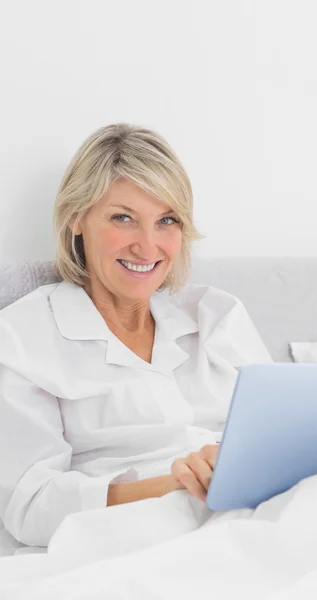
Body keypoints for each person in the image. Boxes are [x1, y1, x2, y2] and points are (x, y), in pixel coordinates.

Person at [0, 123, 272, 547]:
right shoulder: (22, 338)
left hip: (266, 512)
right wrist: (173, 484)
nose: (148, 247)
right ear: (75, 217)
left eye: (166, 221)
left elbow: (282, 436)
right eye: (123, 218)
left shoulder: (215, 314)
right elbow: (30, 506)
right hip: (147, 532)